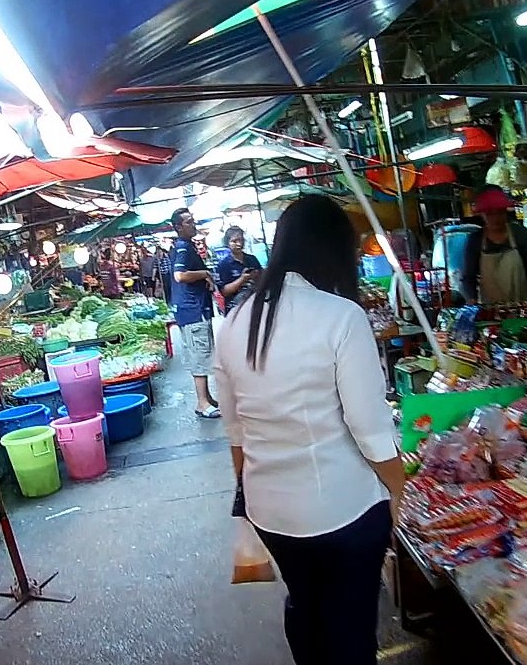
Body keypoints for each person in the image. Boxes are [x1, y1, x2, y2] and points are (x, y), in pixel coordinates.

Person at [214, 195, 404, 665]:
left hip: (271, 512)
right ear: (332, 250)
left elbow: (235, 432)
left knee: (305, 603)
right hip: (342, 512)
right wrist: (400, 493)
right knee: (350, 623)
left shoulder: (237, 321)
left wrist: (249, 495)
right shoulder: (341, 316)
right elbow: (371, 429)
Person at [170, 209, 221, 418]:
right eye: (189, 222)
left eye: (193, 220)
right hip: (192, 311)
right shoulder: (182, 247)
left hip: (195, 309)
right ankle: (202, 402)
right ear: (179, 227)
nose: (194, 224)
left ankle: (206, 397)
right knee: (199, 356)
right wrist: (204, 273)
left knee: (202, 354)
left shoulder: (186, 246)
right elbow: (179, 275)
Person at [462, 186, 527, 304]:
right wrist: (472, 299)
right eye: (490, 214)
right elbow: (468, 277)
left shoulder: (520, 234)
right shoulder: (475, 240)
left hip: (525, 307)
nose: (496, 219)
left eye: (499, 213)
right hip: (492, 311)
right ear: (482, 214)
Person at [215, 226, 263, 314]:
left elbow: (263, 279)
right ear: (228, 243)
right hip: (236, 310)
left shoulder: (252, 259)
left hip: (255, 304)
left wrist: (257, 276)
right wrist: (242, 279)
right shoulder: (224, 265)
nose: (239, 244)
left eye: (241, 240)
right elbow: (224, 292)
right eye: (234, 241)